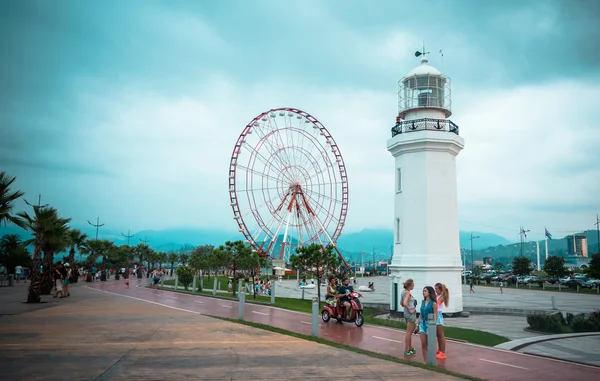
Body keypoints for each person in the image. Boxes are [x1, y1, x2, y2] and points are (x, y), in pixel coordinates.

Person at [417, 286, 439, 362]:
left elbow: (436, 315)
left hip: (429, 323)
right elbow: (420, 314)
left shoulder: (433, 304)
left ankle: (431, 359)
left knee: (429, 343)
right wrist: (417, 324)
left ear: (429, 292)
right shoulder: (422, 302)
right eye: (423, 291)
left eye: (425, 291)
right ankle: (425, 360)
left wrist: (433, 325)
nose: (423, 292)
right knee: (423, 343)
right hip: (422, 323)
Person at [401, 279, 417, 356]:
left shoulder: (403, 292)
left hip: (406, 314)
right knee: (409, 333)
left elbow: (401, 303)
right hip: (410, 314)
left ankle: (410, 348)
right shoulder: (407, 293)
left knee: (409, 332)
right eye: (413, 284)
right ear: (409, 286)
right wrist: (410, 310)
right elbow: (404, 303)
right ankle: (407, 349)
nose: (413, 286)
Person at [434, 283, 449, 359]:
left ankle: (443, 352)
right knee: (437, 334)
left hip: (438, 315)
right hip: (435, 314)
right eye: (435, 288)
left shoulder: (442, 296)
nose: (435, 290)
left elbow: (437, 303)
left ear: (440, 289)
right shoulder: (437, 296)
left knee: (440, 334)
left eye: (436, 289)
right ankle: (440, 349)